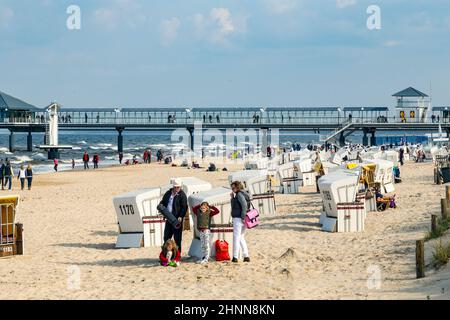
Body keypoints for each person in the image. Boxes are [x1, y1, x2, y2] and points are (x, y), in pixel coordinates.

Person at [159, 179, 188, 252]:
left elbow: (184, 207)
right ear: (173, 186)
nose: (177, 188)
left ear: (180, 187)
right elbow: (163, 202)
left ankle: (177, 256)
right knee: (166, 238)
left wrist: (181, 216)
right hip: (168, 219)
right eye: (175, 187)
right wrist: (163, 212)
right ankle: (165, 255)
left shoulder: (182, 195)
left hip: (176, 220)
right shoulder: (168, 193)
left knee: (177, 239)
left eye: (178, 187)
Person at [230, 181, 251, 263]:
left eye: (233, 188)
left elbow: (244, 205)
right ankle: (246, 256)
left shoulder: (239, 194)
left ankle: (235, 257)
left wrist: (242, 217)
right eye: (231, 188)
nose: (232, 189)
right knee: (241, 237)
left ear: (238, 187)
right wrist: (232, 198)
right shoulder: (243, 193)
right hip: (242, 218)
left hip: (239, 218)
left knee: (236, 237)